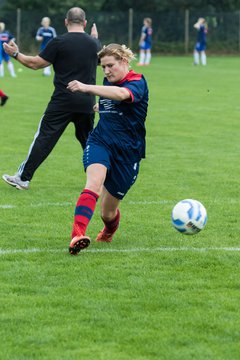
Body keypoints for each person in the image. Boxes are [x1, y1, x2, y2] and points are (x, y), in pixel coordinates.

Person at [2, 7, 101, 191]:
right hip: (87, 102)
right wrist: (96, 38)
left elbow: (34, 64)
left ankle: (23, 178)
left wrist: (15, 54)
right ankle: (104, 180)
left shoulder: (59, 42)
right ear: (85, 23)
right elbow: (102, 59)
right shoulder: (93, 43)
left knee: (44, 139)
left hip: (62, 102)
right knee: (89, 143)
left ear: (65, 22)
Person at [67, 43, 149, 255]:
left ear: (124, 62)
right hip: (100, 141)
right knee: (94, 183)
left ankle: (109, 231)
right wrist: (101, 106)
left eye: (110, 65)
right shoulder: (108, 79)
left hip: (128, 152)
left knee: (108, 212)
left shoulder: (137, 81)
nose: (106, 71)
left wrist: (86, 87)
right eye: (102, 67)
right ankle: (77, 235)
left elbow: (122, 94)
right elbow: (111, 99)